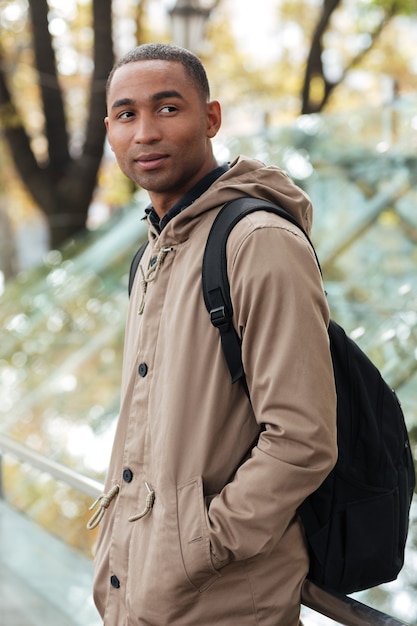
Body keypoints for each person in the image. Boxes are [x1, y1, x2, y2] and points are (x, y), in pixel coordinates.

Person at [90, 42, 337, 626]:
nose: (145, 132)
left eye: (167, 108)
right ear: (109, 131)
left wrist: (198, 546)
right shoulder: (152, 254)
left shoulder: (257, 242)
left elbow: (303, 439)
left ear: (211, 118)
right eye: (126, 114)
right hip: (140, 595)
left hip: (223, 605)